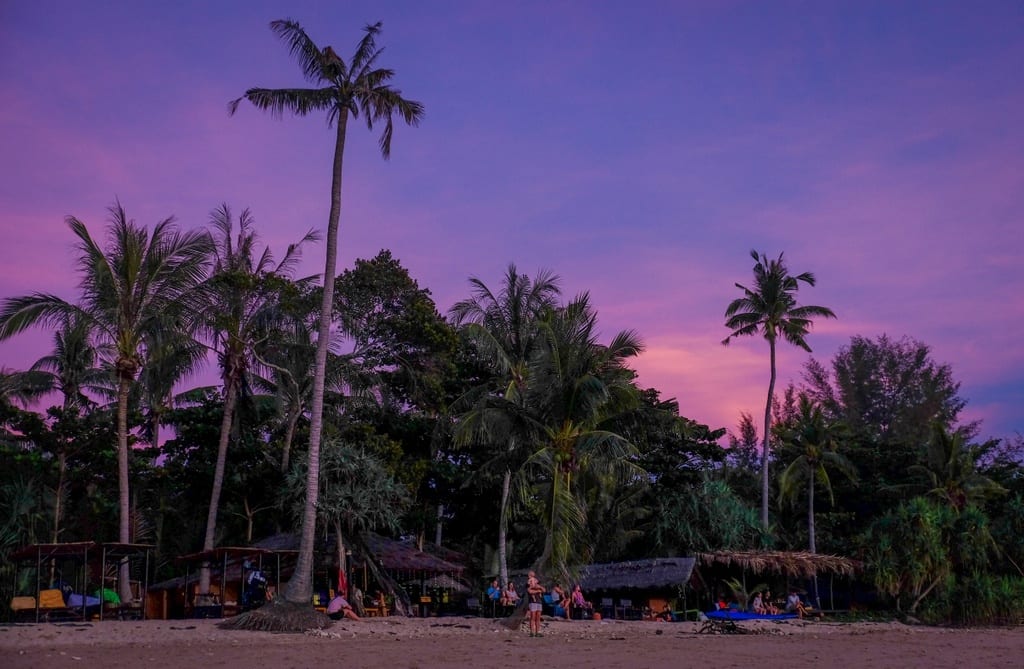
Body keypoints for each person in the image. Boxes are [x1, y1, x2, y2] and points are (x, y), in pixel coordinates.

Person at [526, 571, 544, 637]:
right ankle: (532, 632)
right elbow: (529, 591)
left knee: (538, 617)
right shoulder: (529, 582)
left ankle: (537, 632)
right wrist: (537, 590)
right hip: (533, 602)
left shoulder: (536, 581)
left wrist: (539, 587)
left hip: (539, 602)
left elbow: (543, 590)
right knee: (532, 617)